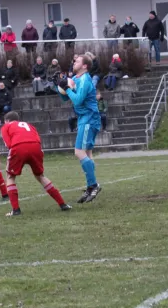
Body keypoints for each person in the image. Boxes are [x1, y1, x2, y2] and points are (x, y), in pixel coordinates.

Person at [0, 111, 72, 216]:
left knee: (10, 176)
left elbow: (9, 144)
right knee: (40, 176)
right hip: (36, 146)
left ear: (7, 121)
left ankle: (16, 210)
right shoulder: (29, 125)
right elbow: (37, 138)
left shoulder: (6, 127)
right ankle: (62, 204)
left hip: (19, 147)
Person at [58, 54, 102, 203]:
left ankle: (93, 185)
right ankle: (91, 186)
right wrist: (59, 86)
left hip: (89, 119)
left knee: (79, 152)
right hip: (86, 118)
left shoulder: (85, 80)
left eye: (76, 61)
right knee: (87, 153)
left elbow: (77, 100)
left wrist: (67, 89)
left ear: (84, 66)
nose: (73, 62)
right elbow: (66, 98)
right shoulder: (76, 79)